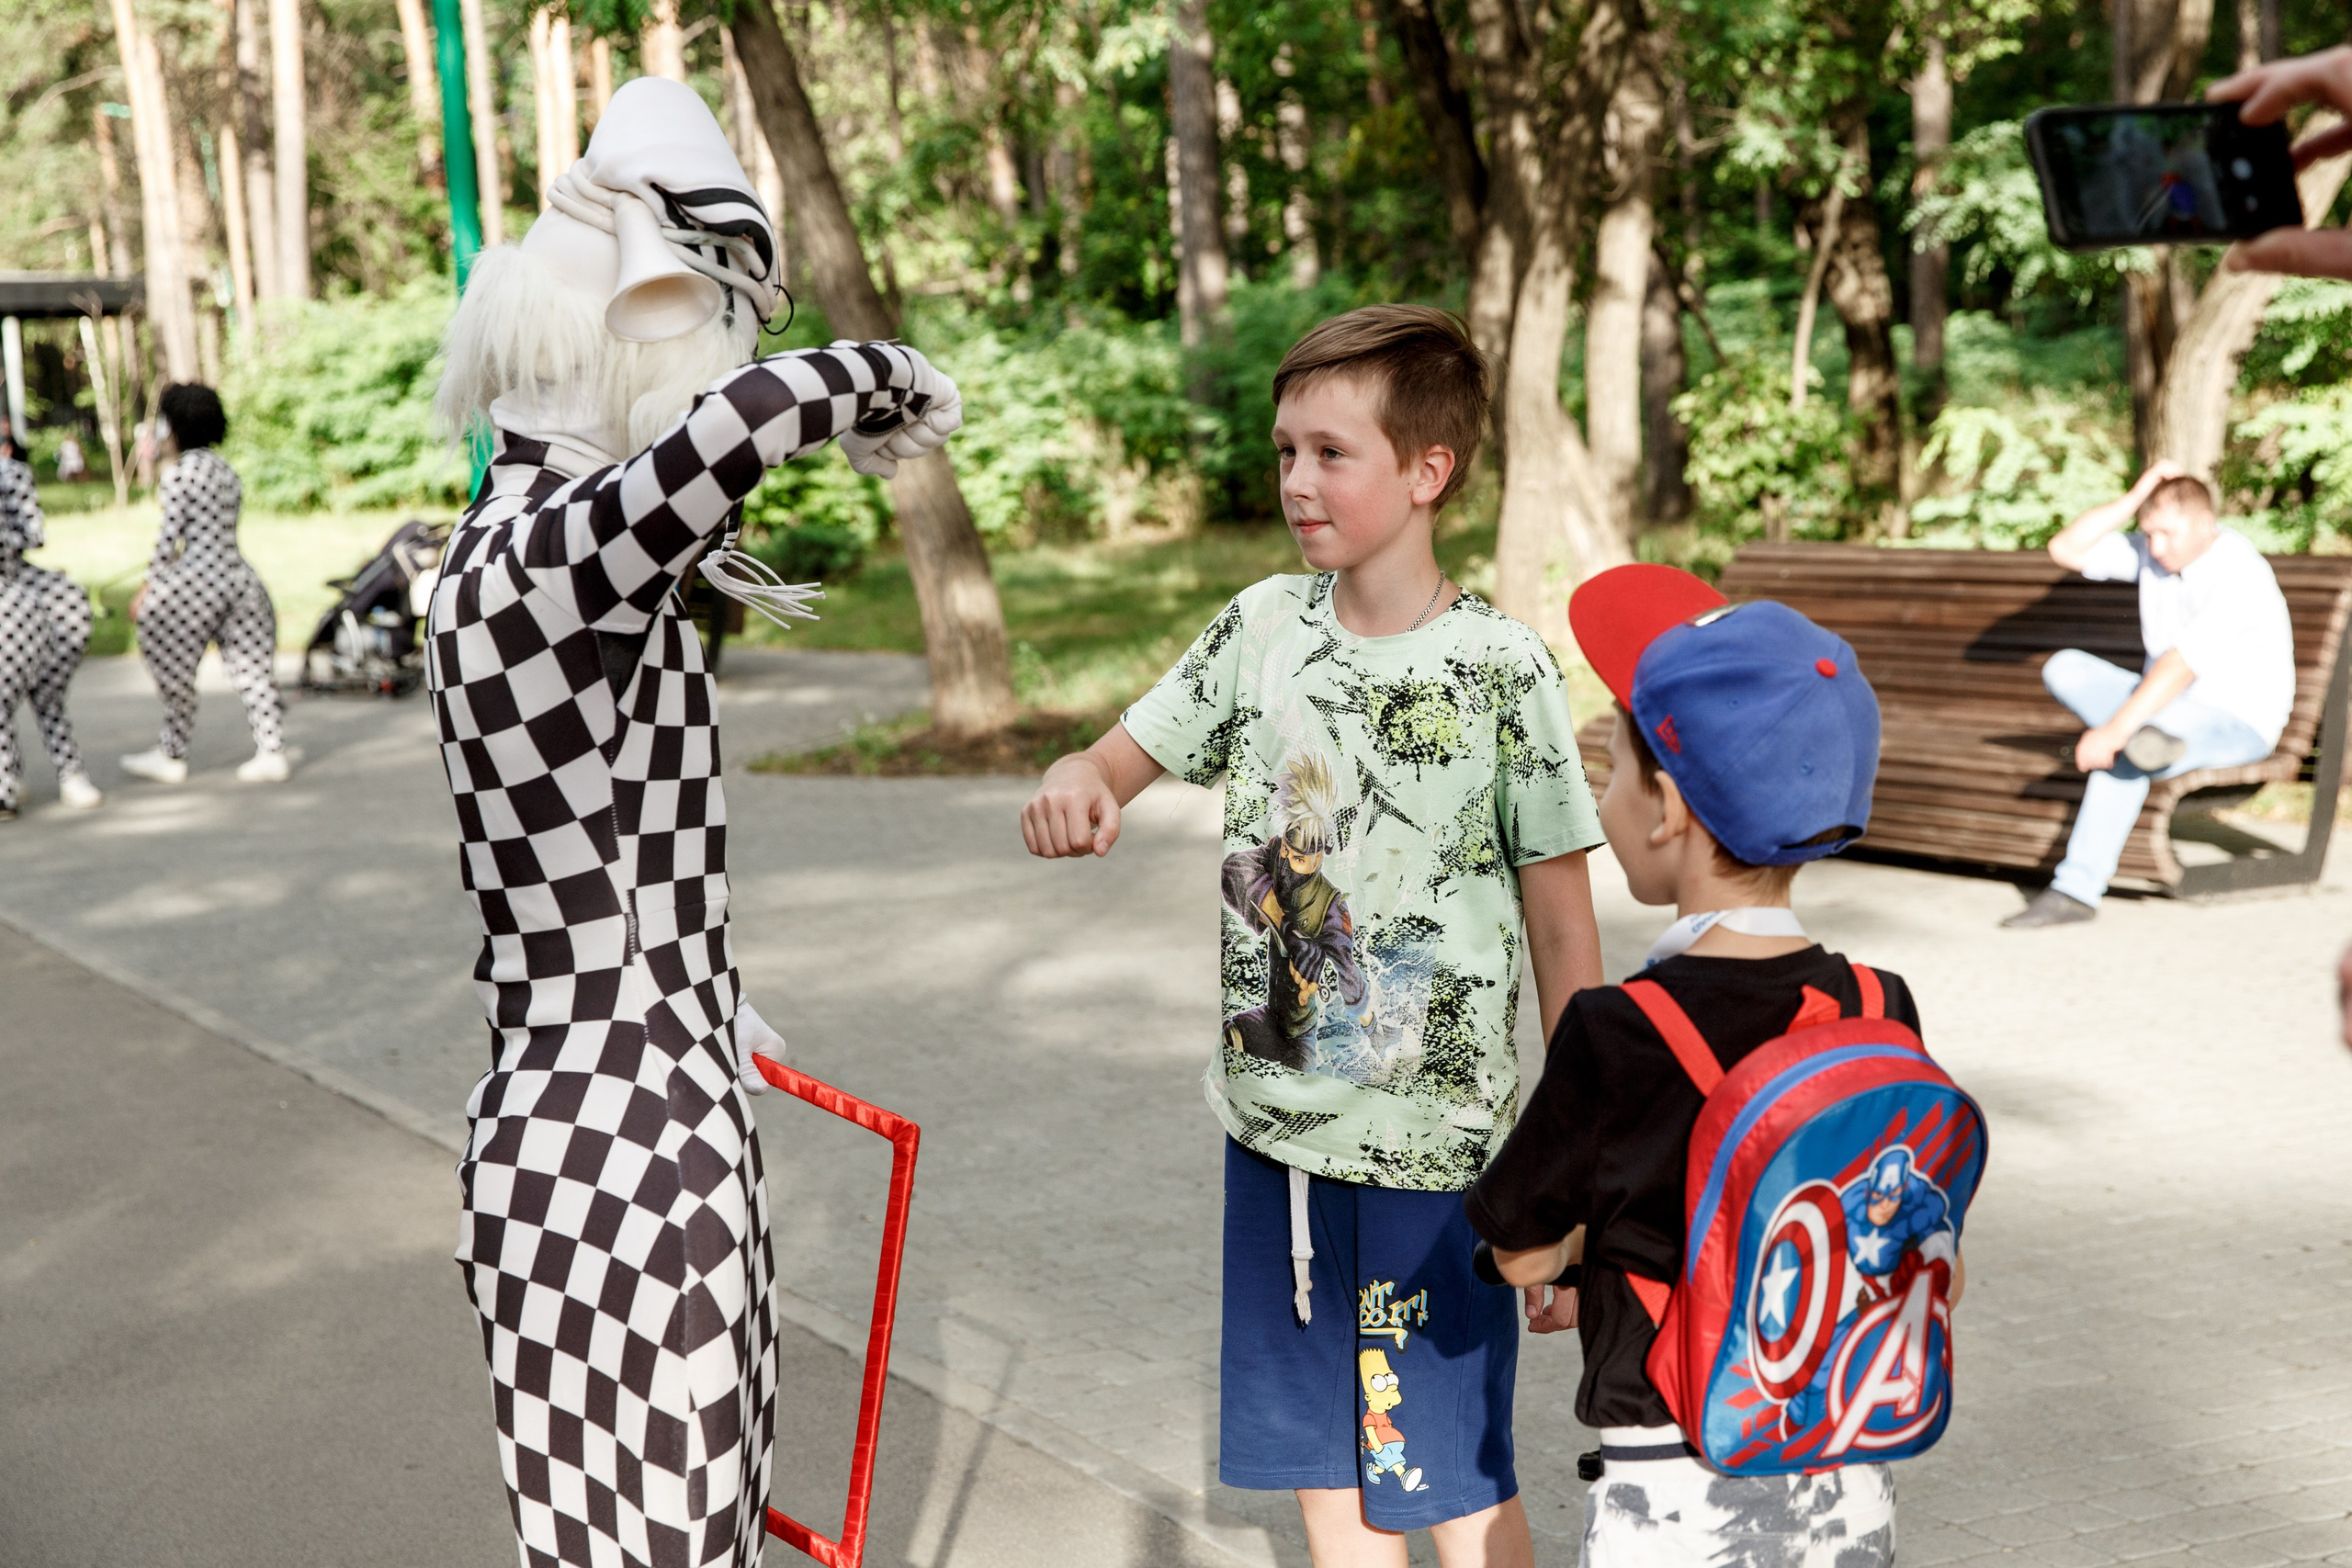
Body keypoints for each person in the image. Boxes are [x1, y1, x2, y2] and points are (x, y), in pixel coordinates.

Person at [426, 76, 960, 1568]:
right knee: (684, 1539)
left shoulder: (479, 561)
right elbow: (743, 424)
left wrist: (716, 991)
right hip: (648, 1145)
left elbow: (589, 850)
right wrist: (886, 378)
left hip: (532, 1138)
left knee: (576, 1541)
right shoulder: (570, 546)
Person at [1021, 304, 1606, 1567]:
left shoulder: (1503, 669)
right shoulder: (1259, 629)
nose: (1296, 480)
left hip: (1436, 1164)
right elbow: (1112, 759)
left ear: (1426, 470)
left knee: (1448, 1478)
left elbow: (1567, 936)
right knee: (1326, 1480)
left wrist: (1575, 1170)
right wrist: (1080, 779)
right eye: (1285, 450)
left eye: (1331, 452)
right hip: (1272, 1140)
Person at [1464, 561, 1932, 1568]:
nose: (1604, 794)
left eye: (1614, 771)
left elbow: (1518, 1250)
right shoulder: (1876, 1006)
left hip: (1671, 1485)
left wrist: (1578, 1254)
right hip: (1843, 1470)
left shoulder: (1614, 1030)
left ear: (1666, 808)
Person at [2003, 462, 2291, 927]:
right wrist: (2137, 495)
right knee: (2065, 667)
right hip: (2167, 706)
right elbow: (2065, 548)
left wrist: (2114, 731)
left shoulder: (2239, 572)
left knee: (2130, 751)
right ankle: (2147, 734)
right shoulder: (2153, 554)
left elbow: (2180, 665)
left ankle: (2076, 891)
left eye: (2168, 534)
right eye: (2149, 532)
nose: (2156, 546)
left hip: (2235, 721)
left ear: (2204, 524)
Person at [119, 384, 293, 785]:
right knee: (252, 668)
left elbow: (168, 539)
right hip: (238, 578)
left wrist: (148, 587)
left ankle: (172, 751)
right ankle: (272, 749)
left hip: (195, 583)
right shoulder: (226, 470)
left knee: (175, 666)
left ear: (175, 426)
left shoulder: (179, 472)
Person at [0, 433, 101, 816]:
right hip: (22, 594)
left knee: (35, 693)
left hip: (16, 592)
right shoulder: (12, 472)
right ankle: (18, 777)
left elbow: (32, 535)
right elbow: (33, 534)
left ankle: (51, 773)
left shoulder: (10, 473)